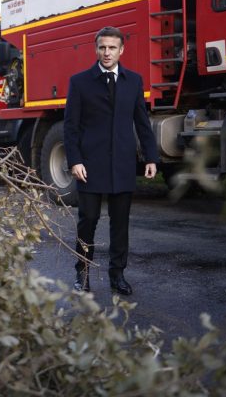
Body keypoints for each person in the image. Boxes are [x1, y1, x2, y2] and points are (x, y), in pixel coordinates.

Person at [63, 26, 159, 295]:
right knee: (88, 221)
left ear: (121, 50)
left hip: (123, 165)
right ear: (96, 49)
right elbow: (70, 127)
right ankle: (82, 275)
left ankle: (117, 275)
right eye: (102, 47)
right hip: (89, 166)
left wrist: (151, 156)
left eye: (112, 48)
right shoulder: (80, 82)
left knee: (120, 224)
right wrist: (75, 160)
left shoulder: (134, 81)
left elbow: (142, 122)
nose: (107, 52)